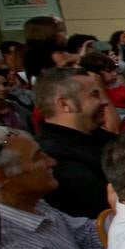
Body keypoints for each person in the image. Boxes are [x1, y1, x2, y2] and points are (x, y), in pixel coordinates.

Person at [34, 66, 116, 218]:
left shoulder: (100, 136)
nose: (105, 101)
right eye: (95, 95)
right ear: (65, 104)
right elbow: (103, 203)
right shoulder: (52, 156)